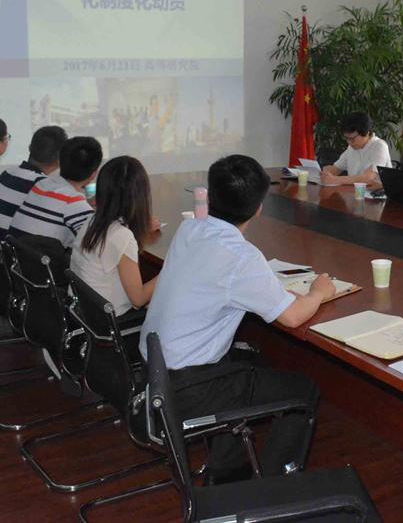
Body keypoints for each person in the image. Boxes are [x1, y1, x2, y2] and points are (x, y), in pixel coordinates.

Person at [140, 154, 335, 480]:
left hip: (155, 372)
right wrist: (319, 293)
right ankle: (269, 487)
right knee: (303, 391)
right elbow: (292, 317)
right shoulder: (241, 257)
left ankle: (228, 470)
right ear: (259, 207)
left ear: (209, 195)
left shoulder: (190, 228)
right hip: (189, 387)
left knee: (248, 363)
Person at [70, 156, 159, 323]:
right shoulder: (121, 236)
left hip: (82, 311)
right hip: (108, 322)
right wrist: (170, 267)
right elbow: (138, 299)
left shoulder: (93, 220)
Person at [9, 136, 102, 248]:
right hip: (41, 258)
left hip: (17, 255)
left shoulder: (42, 184)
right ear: (93, 174)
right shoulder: (73, 202)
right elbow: (98, 242)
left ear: (60, 162)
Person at [0, 125, 67, 232]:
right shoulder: (43, 186)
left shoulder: (8, 173)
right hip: (9, 241)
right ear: (60, 157)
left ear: (30, 147)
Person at [320, 112, 391, 186]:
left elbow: (368, 178)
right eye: (346, 138)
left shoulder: (379, 146)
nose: (349, 142)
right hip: (355, 191)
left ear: (367, 133)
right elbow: (336, 168)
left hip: (376, 192)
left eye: (352, 139)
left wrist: (335, 179)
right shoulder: (351, 147)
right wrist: (326, 174)